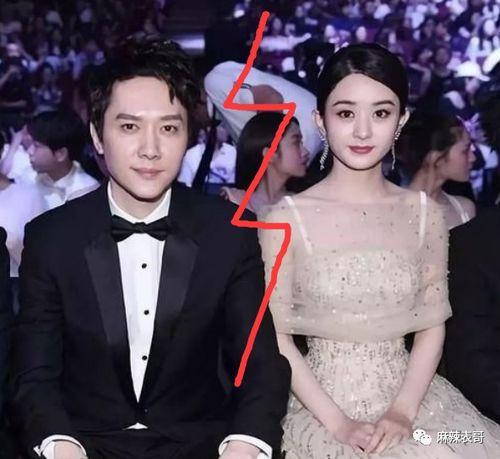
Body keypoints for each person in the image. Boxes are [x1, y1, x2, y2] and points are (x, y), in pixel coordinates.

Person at [11, 38, 290, 459]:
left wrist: (245, 444)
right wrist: (59, 444)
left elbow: (260, 366)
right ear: (97, 137)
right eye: (129, 127)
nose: (150, 149)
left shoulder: (229, 232)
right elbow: (34, 375)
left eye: (169, 128)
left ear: (188, 136)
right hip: (83, 444)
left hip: (202, 447)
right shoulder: (53, 238)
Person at [259, 43, 500, 458]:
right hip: (319, 409)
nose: (363, 131)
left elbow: (432, 325)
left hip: (417, 409)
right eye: (345, 113)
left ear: (401, 120)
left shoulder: (424, 215)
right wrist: (339, 424)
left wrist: (402, 412)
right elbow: (276, 337)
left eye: (381, 113)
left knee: (472, 444)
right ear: (320, 120)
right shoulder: (286, 218)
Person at [221, 112, 308, 214]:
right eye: (296, 143)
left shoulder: (303, 205)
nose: (305, 152)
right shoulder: (233, 200)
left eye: (301, 143)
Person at [400, 113, 476, 229]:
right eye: (465, 151)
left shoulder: (464, 209)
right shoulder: (393, 211)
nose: (472, 158)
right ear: (436, 157)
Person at [22, 109, 99, 210]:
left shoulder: (87, 190)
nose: (30, 151)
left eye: (36, 146)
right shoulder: (27, 176)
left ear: (61, 154)